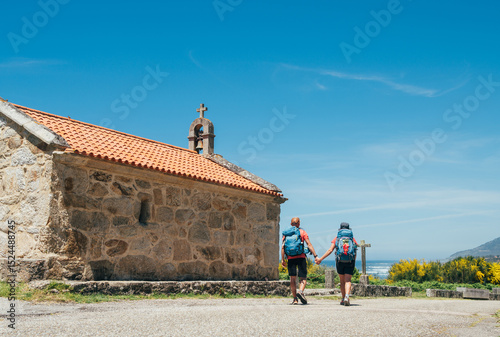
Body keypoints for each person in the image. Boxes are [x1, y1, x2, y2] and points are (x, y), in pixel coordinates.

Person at [315, 222, 358, 306]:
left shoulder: (337, 238)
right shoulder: (352, 239)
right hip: (350, 261)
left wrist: (320, 259)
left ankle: (342, 299)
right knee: (348, 280)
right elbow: (355, 251)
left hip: (340, 261)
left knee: (342, 281)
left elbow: (330, 250)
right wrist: (353, 261)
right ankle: (347, 296)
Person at [281, 217, 318, 305]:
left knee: (292, 279)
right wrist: (315, 256)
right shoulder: (302, 232)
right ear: (299, 223)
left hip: (290, 258)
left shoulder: (286, 234)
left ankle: (295, 299)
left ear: (291, 224)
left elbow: (283, 247)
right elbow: (309, 244)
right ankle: (300, 291)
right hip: (301, 257)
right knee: (303, 278)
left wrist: (283, 260)